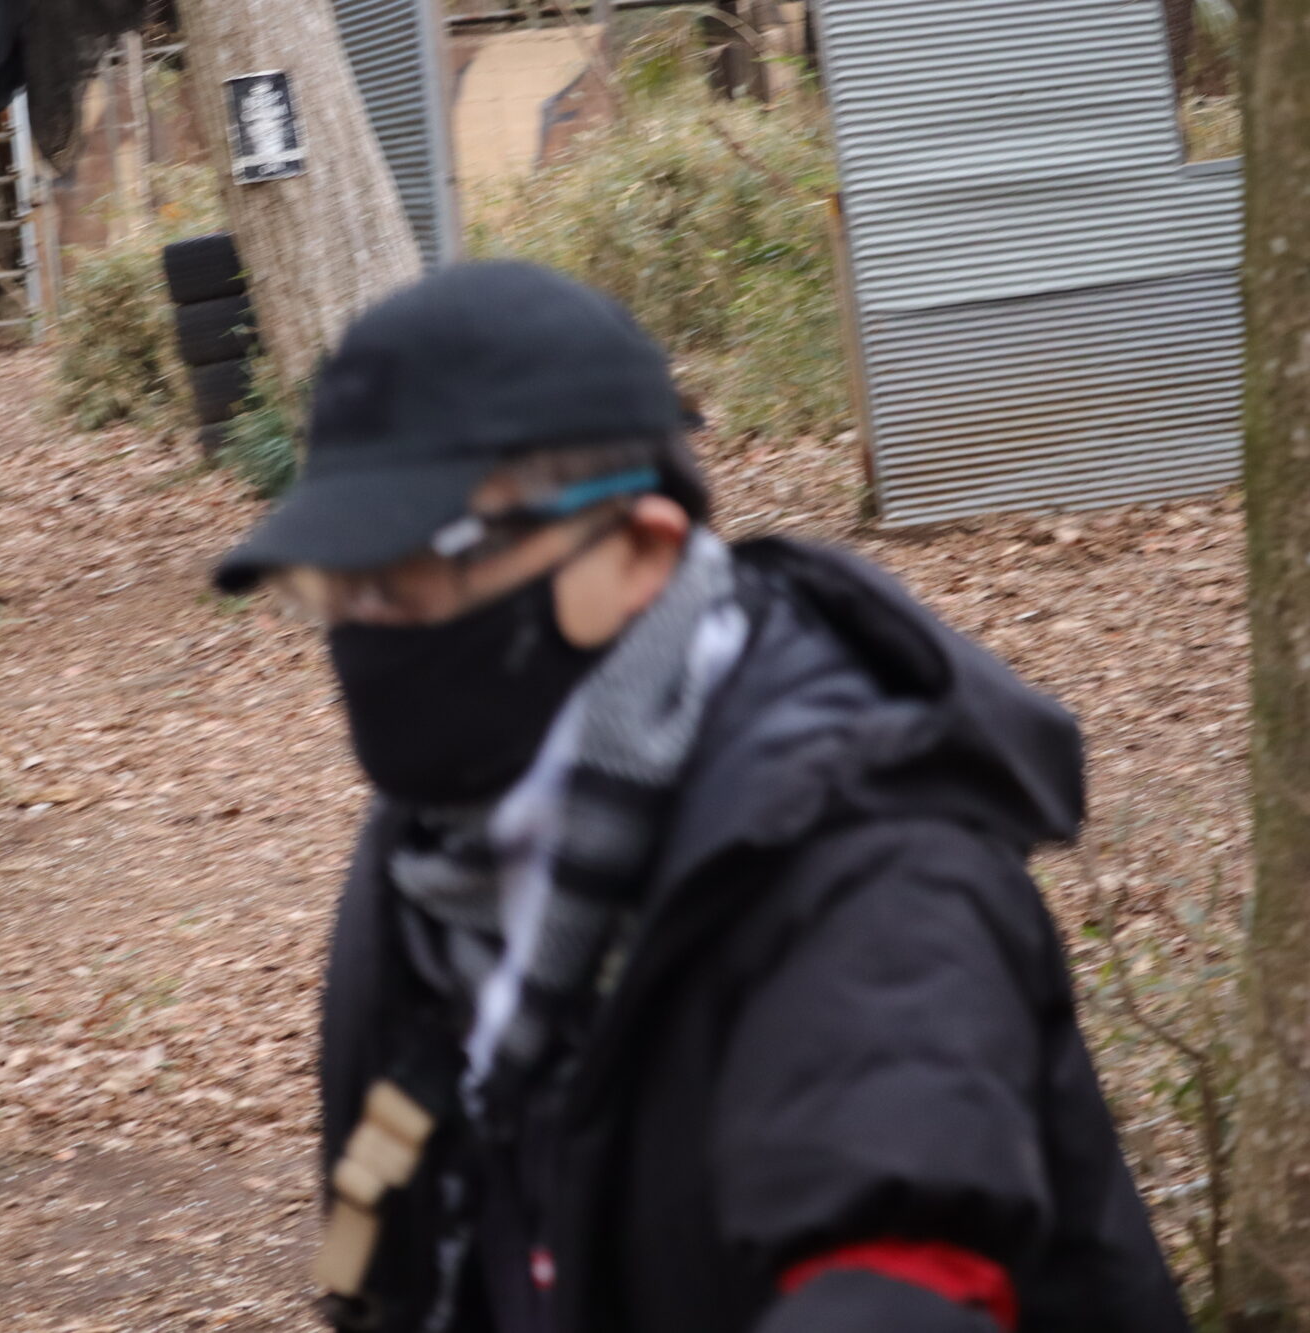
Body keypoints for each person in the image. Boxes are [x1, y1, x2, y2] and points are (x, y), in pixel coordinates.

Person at [212, 263, 1190, 1333]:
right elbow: (388, 1251)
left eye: (414, 572)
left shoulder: (867, 859)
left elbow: (898, 1271)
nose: (369, 629)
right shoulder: (434, 850)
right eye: (339, 584)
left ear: (638, 550)